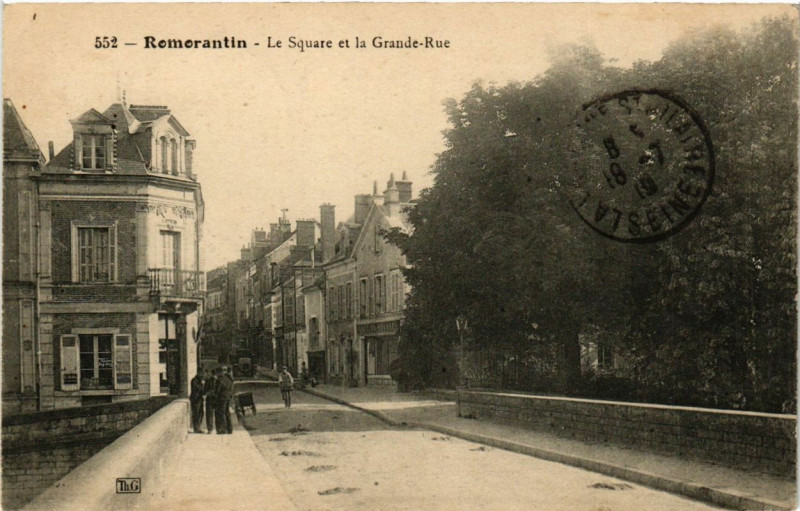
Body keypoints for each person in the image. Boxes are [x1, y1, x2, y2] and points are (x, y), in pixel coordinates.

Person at [215, 366, 234, 434]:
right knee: (227, 413)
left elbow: (217, 390)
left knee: (221, 413)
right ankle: (230, 429)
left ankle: (223, 429)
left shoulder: (219, 380)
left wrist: (215, 395)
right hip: (228, 398)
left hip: (221, 398)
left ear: (219, 372)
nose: (216, 374)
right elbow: (231, 389)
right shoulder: (228, 379)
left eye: (217, 373)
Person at [190, 369, 205, 433]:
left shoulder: (199, 380)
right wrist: (202, 385)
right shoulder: (194, 380)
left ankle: (198, 427)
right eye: (201, 373)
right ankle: (196, 428)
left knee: (200, 413)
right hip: (195, 399)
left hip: (199, 399)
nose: (202, 375)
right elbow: (196, 388)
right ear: (198, 373)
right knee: (196, 414)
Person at [203, 369, 216, 434]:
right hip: (210, 399)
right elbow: (204, 391)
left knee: (219, 414)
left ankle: (220, 428)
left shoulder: (219, 380)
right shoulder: (208, 381)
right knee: (209, 414)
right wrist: (208, 392)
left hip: (217, 399)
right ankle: (210, 429)